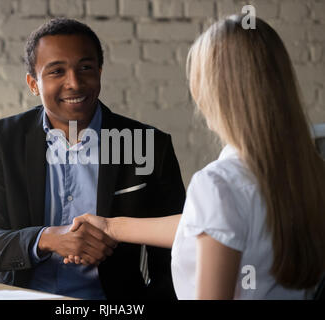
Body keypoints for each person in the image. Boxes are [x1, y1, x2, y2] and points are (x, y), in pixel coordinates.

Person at [66, 15, 325, 299]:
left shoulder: (217, 185)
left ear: (213, 93)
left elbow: (219, 214)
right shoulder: (308, 172)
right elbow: (211, 222)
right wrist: (112, 226)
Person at [0, 18, 186, 300]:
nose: (74, 83)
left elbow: (176, 249)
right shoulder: (2, 140)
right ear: (33, 84)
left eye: (86, 68)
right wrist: (47, 239)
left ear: (100, 72)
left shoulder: (150, 145)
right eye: (57, 71)